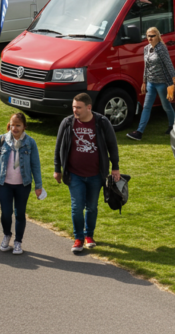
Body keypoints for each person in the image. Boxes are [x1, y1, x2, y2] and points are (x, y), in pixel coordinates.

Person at [54, 93, 120, 252]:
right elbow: (58, 147)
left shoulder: (102, 122)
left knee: (91, 207)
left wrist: (115, 166)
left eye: (78, 107)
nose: (75, 110)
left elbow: (112, 145)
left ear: (88, 108)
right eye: (73, 107)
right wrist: (57, 169)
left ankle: (89, 235)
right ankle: (78, 238)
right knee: (77, 207)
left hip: (96, 175)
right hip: (74, 174)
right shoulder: (67, 123)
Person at [0, 113, 43, 255]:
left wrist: (38, 185)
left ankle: (18, 242)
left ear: (24, 126)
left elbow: (36, 165)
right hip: (4, 184)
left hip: (23, 185)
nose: (15, 128)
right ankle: (6, 235)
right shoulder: (1, 140)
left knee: (20, 213)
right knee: (6, 213)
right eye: (12, 125)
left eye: (18, 125)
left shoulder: (30, 142)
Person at [127, 27, 175, 141]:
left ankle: (173, 126)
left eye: (152, 36)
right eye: (148, 36)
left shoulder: (162, 49)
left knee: (166, 106)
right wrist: (144, 81)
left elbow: (169, 64)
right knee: (146, 107)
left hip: (162, 83)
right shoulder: (146, 49)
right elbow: (146, 66)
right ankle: (139, 132)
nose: (149, 38)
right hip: (150, 82)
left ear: (158, 36)